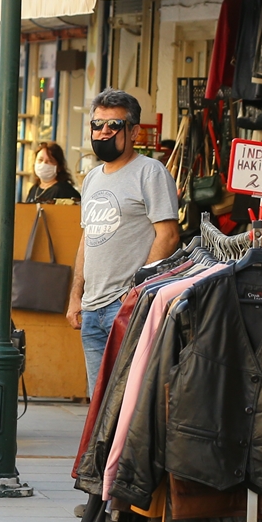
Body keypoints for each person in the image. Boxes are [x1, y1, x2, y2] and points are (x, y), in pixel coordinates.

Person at [67, 89, 179, 393]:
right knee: (99, 401)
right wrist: (77, 295)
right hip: (92, 309)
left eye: (113, 125)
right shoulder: (91, 178)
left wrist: (136, 292)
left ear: (133, 131)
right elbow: (87, 239)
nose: (103, 131)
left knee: (128, 401)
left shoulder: (150, 173)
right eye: (97, 124)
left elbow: (168, 236)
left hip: (127, 306)